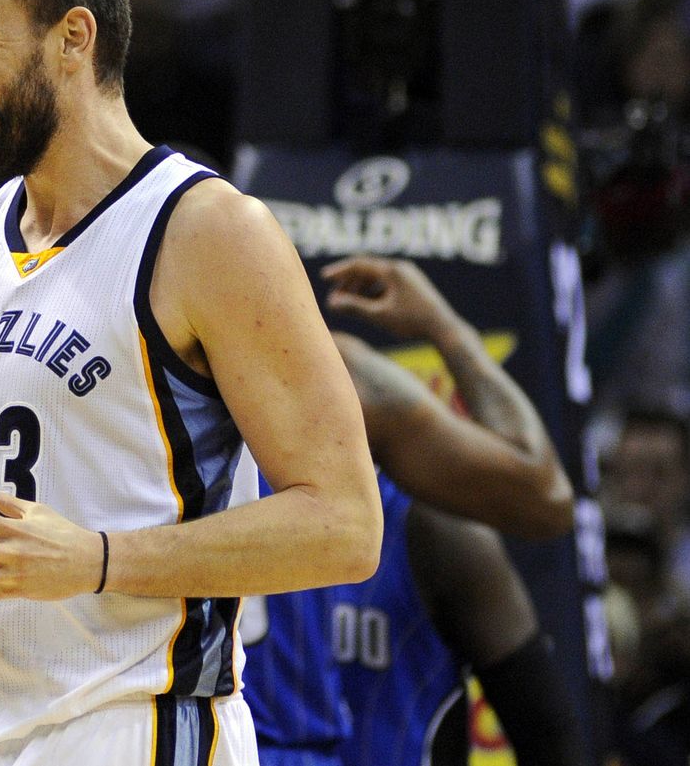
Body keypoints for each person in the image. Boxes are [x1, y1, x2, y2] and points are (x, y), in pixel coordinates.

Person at [0, 0, 382, 765]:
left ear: (73, 37)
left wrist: (100, 559)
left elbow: (344, 525)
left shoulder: (207, 231)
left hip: (136, 726)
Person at [244, 255, 582, 766]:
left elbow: (546, 502)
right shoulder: (328, 374)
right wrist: (445, 329)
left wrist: (442, 328)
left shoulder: (430, 530)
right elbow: (544, 496)